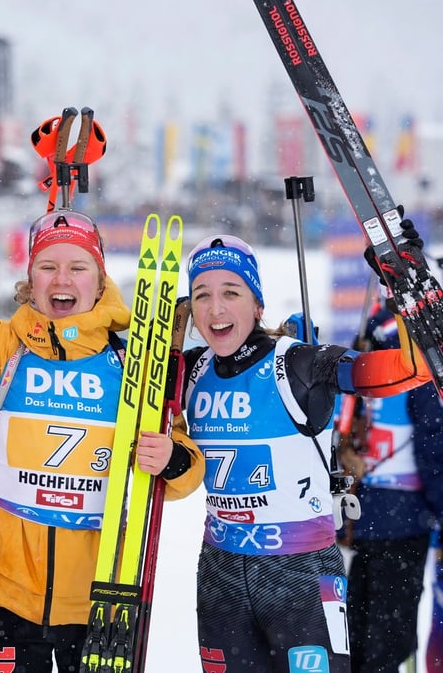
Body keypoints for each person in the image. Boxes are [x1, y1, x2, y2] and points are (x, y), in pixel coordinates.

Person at [0, 170, 204, 669]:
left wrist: (172, 459)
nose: (62, 279)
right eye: (47, 266)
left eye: (78, 267)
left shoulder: (131, 361)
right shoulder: (1, 350)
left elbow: (184, 462)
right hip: (4, 587)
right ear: (30, 279)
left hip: (101, 590)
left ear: (100, 279)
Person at [181, 234, 432, 672]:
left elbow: (410, 369)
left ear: (257, 305)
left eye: (231, 293)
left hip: (299, 571)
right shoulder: (191, 370)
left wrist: (405, 288)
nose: (216, 308)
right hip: (220, 573)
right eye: (202, 295)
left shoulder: (299, 363)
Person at [342, 305, 443, 672]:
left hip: (363, 514)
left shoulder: (368, 351)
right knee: (389, 639)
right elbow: (433, 446)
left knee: (360, 631)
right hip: (403, 520)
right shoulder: (420, 362)